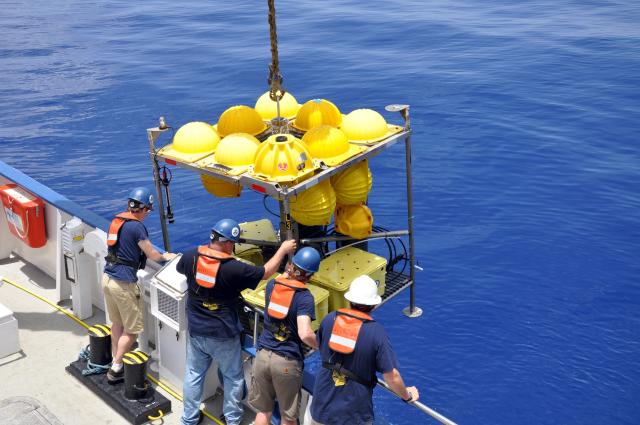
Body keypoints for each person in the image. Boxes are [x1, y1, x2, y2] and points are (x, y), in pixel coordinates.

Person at [177, 218, 296, 425]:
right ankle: (232, 420)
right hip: (223, 335)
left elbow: (180, 269)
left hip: (196, 330)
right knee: (232, 377)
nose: (233, 247)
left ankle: (189, 418)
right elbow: (266, 272)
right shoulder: (233, 269)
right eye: (233, 243)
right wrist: (283, 249)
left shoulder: (190, 257)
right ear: (227, 243)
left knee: (194, 374)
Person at [309, 275, 419, 425]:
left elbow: (321, 347)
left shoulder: (329, 319)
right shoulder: (376, 333)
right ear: (373, 305)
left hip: (320, 408)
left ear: (349, 300)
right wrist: (407, 396)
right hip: (352, 416)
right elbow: (392, 377)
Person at [102, 187, 176, 383]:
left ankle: (114, 358)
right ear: (142, 208)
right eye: (148, 210)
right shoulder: (137, 228)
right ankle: (116, 368)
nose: (147, 214)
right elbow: (152, 254)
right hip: (123, 284)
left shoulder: (117, 221)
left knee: (117, 323)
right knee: (133, 331)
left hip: (108, 278)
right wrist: (166, 257)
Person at [249, 247, 322, 425]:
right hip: (286, 363)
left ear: (290, 265)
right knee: (288, 417)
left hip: (262, 356)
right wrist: (320, 345)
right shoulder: (304, 297)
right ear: (310, 276)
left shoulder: (272, 285)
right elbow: (305, 333)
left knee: (263, 412)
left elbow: (281, 276)